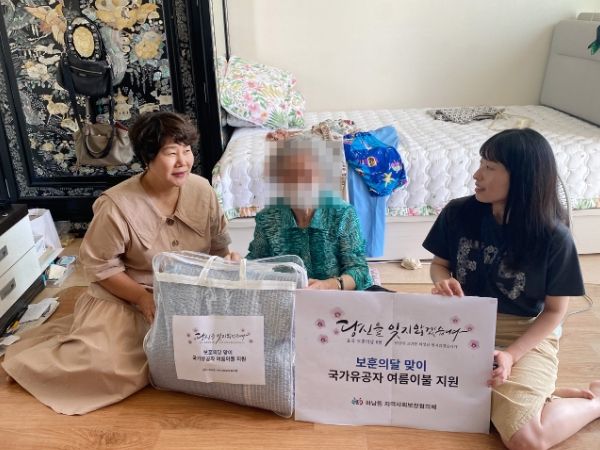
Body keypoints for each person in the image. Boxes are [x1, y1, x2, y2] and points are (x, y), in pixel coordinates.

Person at [2, 111, 239, 415]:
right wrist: (142, 298)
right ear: (148, 157)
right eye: (171, 153)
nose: (183, 161)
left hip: (188, 292)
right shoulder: (116, 205)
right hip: (127, 295)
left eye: (187, 150)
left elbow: (218, 246)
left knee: (222, 349)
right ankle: (29, 363)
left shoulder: (202, 189)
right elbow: (101, 267)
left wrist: (227, 263)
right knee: (108, 365)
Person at [422, 128, 600, 449]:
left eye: (490, 167)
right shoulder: (458, 212)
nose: (477, 175)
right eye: (481, 163)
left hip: (522, 334)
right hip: (461, 327)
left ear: (522, 178)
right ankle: (542, 397)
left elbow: (555, 312)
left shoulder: (554, 237)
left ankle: (594, 402)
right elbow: (439, 264)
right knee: (406, 391)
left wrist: (511, 355)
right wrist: (442, 280)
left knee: (528, 439)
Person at [247, 135, 388, 291]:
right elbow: (256, 263)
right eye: (290, 175)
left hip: (335, 298)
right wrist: (238, 264)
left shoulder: (342, 213)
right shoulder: (268, 218)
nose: (299, 183)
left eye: (308, 174)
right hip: (289, 298)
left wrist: (329, 285)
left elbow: (359, 271)